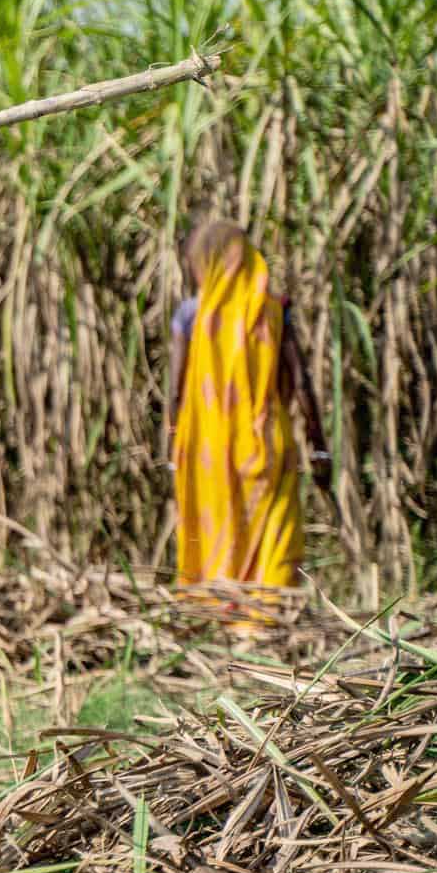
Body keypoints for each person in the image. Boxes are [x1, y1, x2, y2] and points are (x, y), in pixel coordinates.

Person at [168, 220, 331, 600]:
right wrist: (318, 446)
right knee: (273, 535)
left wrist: (175, 445)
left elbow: (176, 390)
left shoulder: (191, 315)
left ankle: (216, 612)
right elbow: (302, 382)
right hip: (265, 444)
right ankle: (263, 620)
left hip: (207, 452)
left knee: (214, 533)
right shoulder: (272, 309)